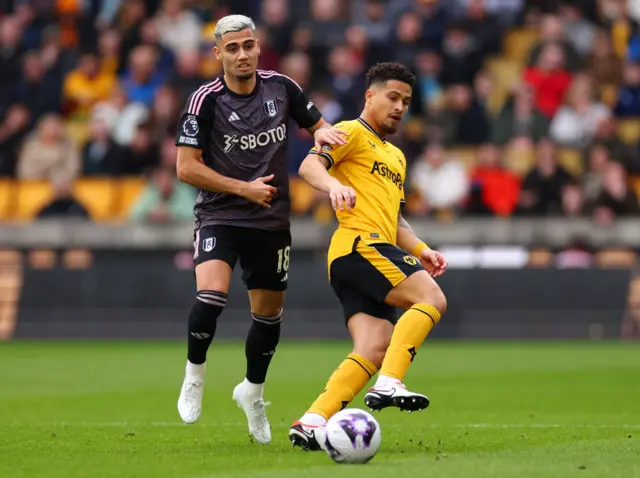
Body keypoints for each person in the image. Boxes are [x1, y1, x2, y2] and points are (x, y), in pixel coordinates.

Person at [174, 15, 346, 444]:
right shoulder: (204, 101)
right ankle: (195, 374)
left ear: (257, 46)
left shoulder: (282, 87)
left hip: (270, 221)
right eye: (232, 48)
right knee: (211, 297)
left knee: (268, 318)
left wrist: (328, 137)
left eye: (248, 45)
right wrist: (242, 189)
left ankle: (253, 392)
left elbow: (318, 125)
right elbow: (185, 167)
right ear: (218, 54)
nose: (242, 54)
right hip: (220, 214)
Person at [289, 62, 448, 451]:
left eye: (406, 101)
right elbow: (309, 165)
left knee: (375, 346)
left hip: (366, 251)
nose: (399, 107)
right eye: (392, 97)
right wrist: (332, 186)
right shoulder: (349, 131)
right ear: (370, 95)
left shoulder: (396, 156)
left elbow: (394, 220)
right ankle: (391, 382)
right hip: (361, 245)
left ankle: (312, 421)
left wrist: (422, 249)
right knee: (432, 299)